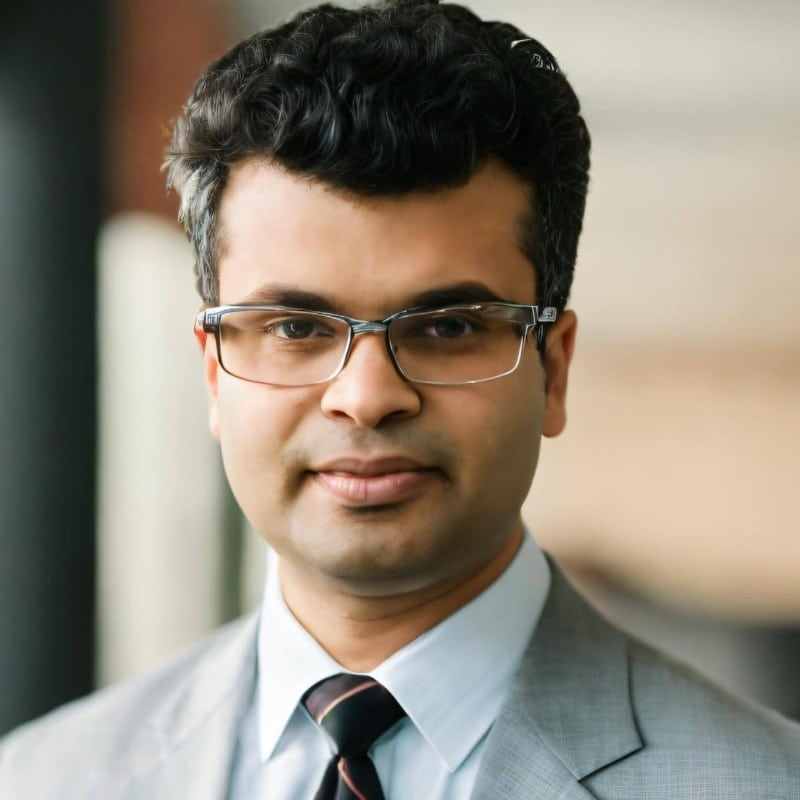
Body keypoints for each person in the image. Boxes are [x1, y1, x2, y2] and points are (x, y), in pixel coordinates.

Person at [1, 1, 798, 797]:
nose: (367, 396)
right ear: (214, 375)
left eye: (447, 327)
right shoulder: (45, 778)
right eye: (296, 327)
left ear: (553, 371)